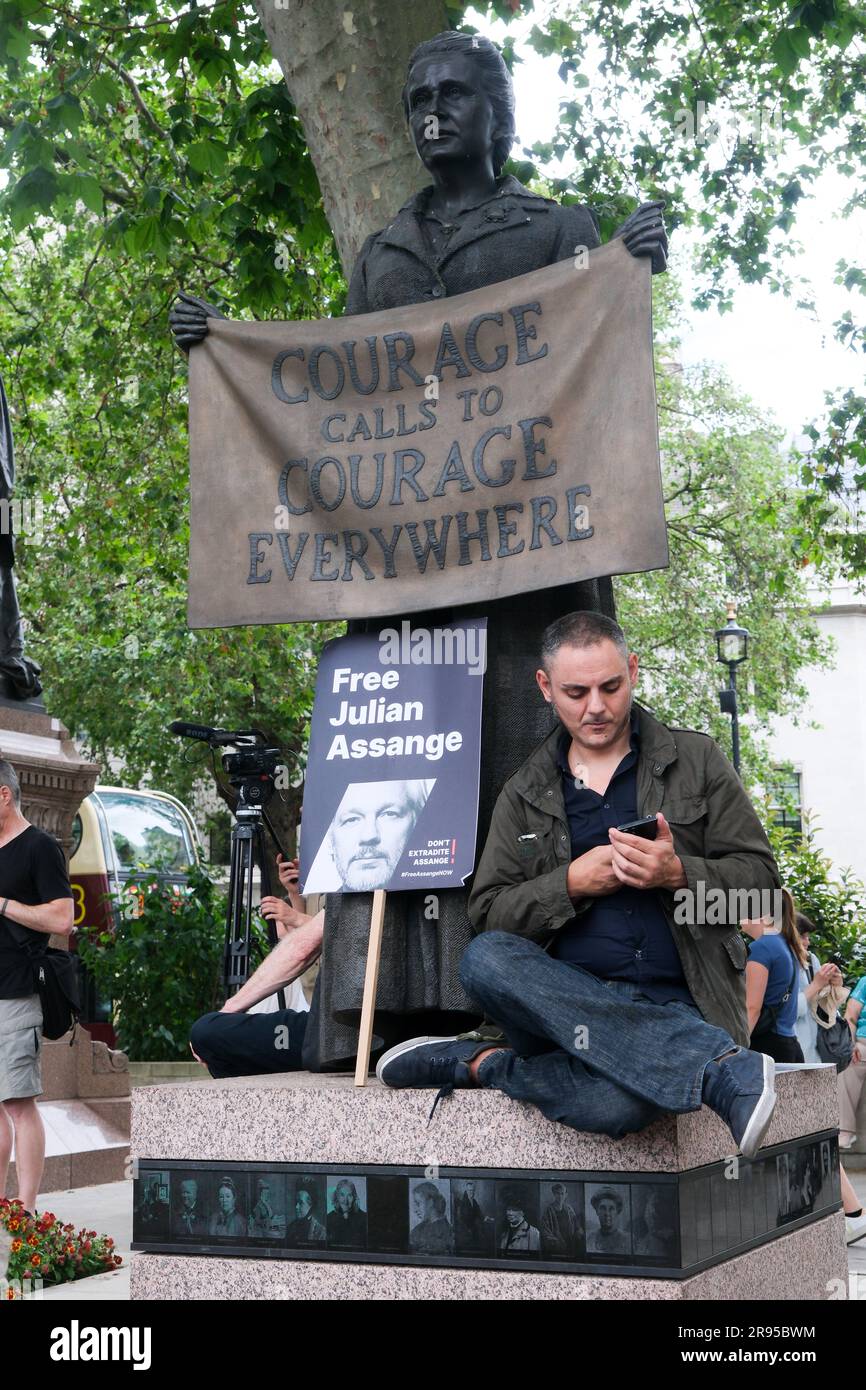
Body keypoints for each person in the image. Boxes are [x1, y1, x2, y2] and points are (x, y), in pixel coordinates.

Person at [169, 29, 668, 1075]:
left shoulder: (552, 228)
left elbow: (590, 362)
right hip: (405, 573)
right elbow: (339, 402)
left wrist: (625, 272)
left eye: (454, 93)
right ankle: (384, 1005)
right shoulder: (383, 254)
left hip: (524, 574)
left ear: (497, 114)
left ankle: (524, 991)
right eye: (418, 98)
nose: (433, 110)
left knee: (509, 762)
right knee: (403, 769)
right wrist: (223, 351)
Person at [377, 611, 782, 1162]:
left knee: (620, 1107)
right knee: (484, 958)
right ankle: (713, 1069)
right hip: (561, 1010)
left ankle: (482, 1065)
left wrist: (678, 873)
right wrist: (568, 884)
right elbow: (489, 915)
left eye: (610, 686)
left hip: (679, 1004)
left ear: (633, 672)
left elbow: (761, 892)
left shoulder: (697, 759)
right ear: (546, 688)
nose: (596, 706)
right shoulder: (524, 791)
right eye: (576, 691)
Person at [0, 758, 74, 1213]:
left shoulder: (40, 848)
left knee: (18, 1103)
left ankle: (26, 1211)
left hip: (17, 991)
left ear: (3, 795)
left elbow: (63, 919)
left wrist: (5, 904)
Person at [189, 853, 323, 1078]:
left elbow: (307, 946)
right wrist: (296, 893)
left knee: (208, 1033)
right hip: (340, 1024)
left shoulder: (361, 879)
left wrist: (228, 1012)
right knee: (222, 1042)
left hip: (337, 1029)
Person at [305, 780, 433, 893]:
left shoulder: (438, 907)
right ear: (330, 840)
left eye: (389, 814)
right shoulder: (326, 906)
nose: (369, 836)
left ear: (418, 823)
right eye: (351, 819)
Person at [742, 890, 805, 1063]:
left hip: (767, 1047)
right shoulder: (785, 944)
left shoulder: (762, 948)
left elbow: (752, 1008)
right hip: (788, 1043)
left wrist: (735, 1049)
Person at [839, 970, 866, 1151]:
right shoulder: (865, 982)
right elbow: (850, 1015)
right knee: (849, 1064)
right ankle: (845, 1131)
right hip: (863, 1043)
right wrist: (851, 1042)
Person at [409, 1181, 454, 1255]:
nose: (416, 1210)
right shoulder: (418, 1230)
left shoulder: (446, 1231)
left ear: (430, 1202)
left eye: (418, 1203)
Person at [541, 1183, 582, 1259]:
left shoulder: (569, 1209)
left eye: (562, 1194)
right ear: (554, 1194)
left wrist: (578, 1233)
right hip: (556, 1249)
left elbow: (577, 1225)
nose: (560, 1196)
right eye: (557, 1193)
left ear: (566, 1195)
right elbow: (545, 1231)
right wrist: (556, 1243)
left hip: (571, 1246)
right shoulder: (548, 1211)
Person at [587, 1187, 630, 1255]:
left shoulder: (627, 1240)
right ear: (597, 1211)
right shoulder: (590, 1239)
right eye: (603, 1208)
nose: (607, 1213)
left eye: (611, 1208)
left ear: (617, 1212)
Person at [326, 1179, 366, 1249]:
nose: (345, 1201)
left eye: (349, 1195)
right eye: (342, 1195)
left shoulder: (364, 1218)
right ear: (337, 1197)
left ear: (354, 1197)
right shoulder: (328, 1218)